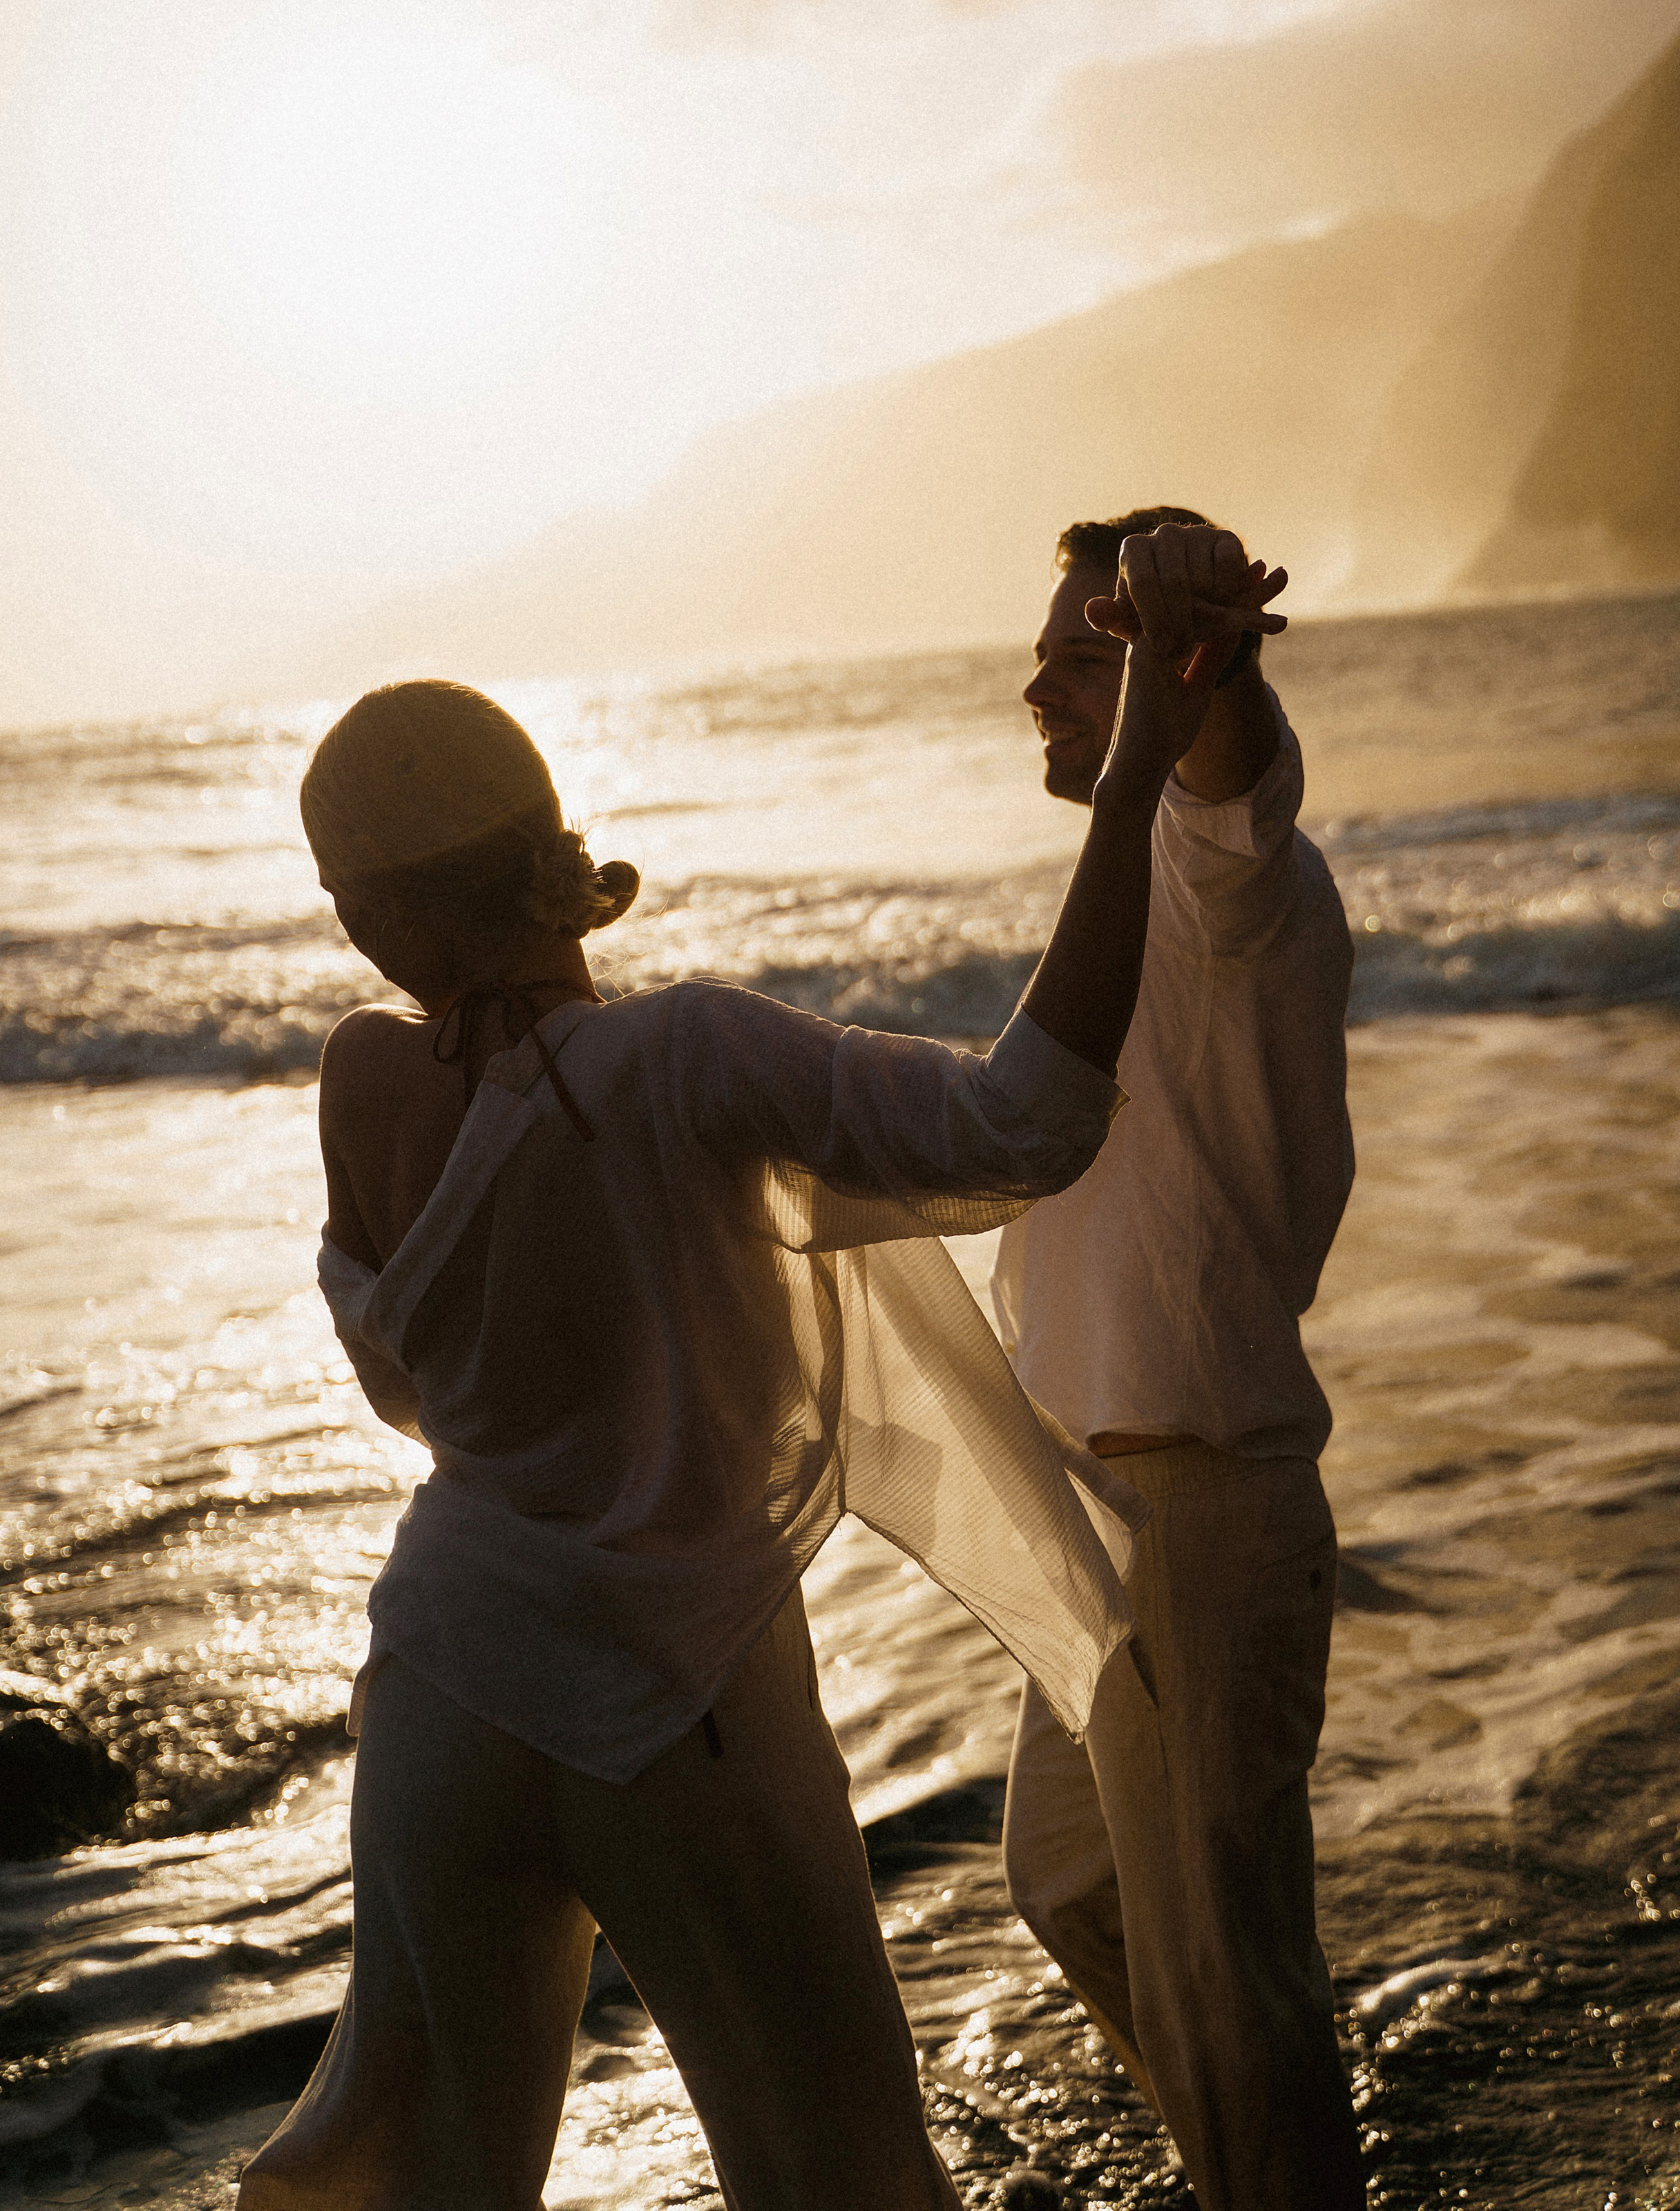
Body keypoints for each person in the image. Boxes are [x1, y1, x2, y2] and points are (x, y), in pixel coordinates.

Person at [235, 524, 1288, 2211]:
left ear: (371, 905)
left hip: (441, 1690)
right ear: (542, 849)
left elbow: (409, 1398)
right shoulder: (686, 1059)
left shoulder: (357, 1083)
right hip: (684, 1708)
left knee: (425, 2183)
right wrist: (1132, 777)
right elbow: (1024, 1119)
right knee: (832, 2175)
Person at [993, 512, 1364, 2211]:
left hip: (1198, 1508)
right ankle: (1258, 2168)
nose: (1036, 689)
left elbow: (1235, 772)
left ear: (1176, 665)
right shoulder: (1123, 887)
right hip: (1097, 1515)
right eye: (1049, 658)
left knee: (1228, 1989)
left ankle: (1271, 2169)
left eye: (1081, 657)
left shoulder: (1222, 878)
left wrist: (1191, 632)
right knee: (1067, 1883)